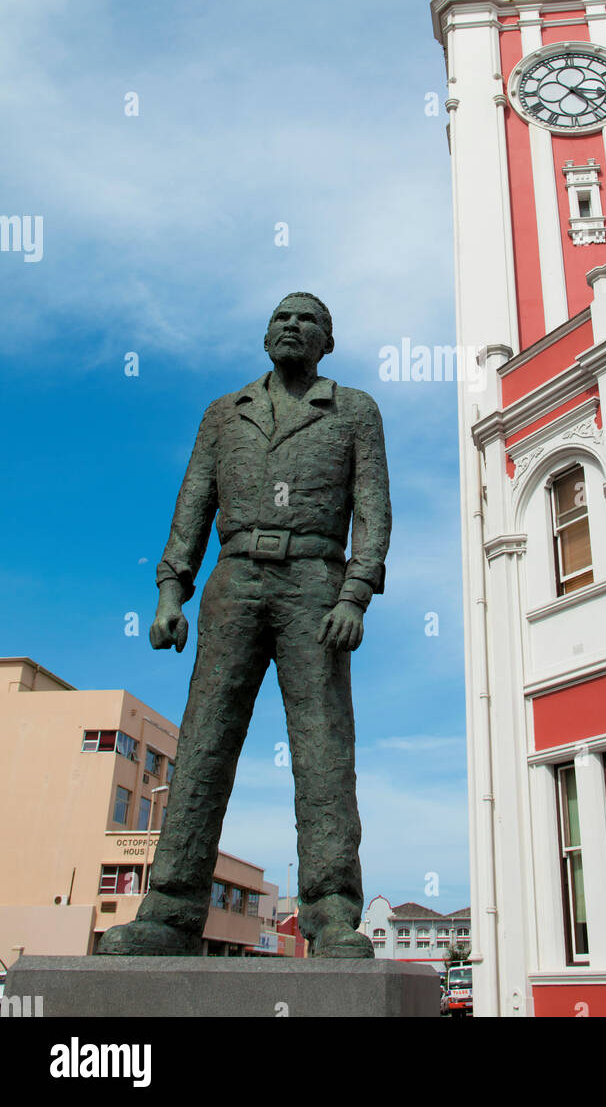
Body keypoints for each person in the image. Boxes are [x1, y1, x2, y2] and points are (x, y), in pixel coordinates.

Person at [98, 292, 391, 957]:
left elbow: (372, 509)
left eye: (306, 319)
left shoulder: (354, 412)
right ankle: (170, 910)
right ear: (266, 335)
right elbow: (194, 500)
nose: (292, 325)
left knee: (321, 746)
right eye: (282, 317)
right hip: (234, 580)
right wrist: (172, 589)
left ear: (328, 342)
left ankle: (330, 911)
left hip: (315, 581)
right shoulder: (224, 413)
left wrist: (355, 592)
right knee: (204, 739)